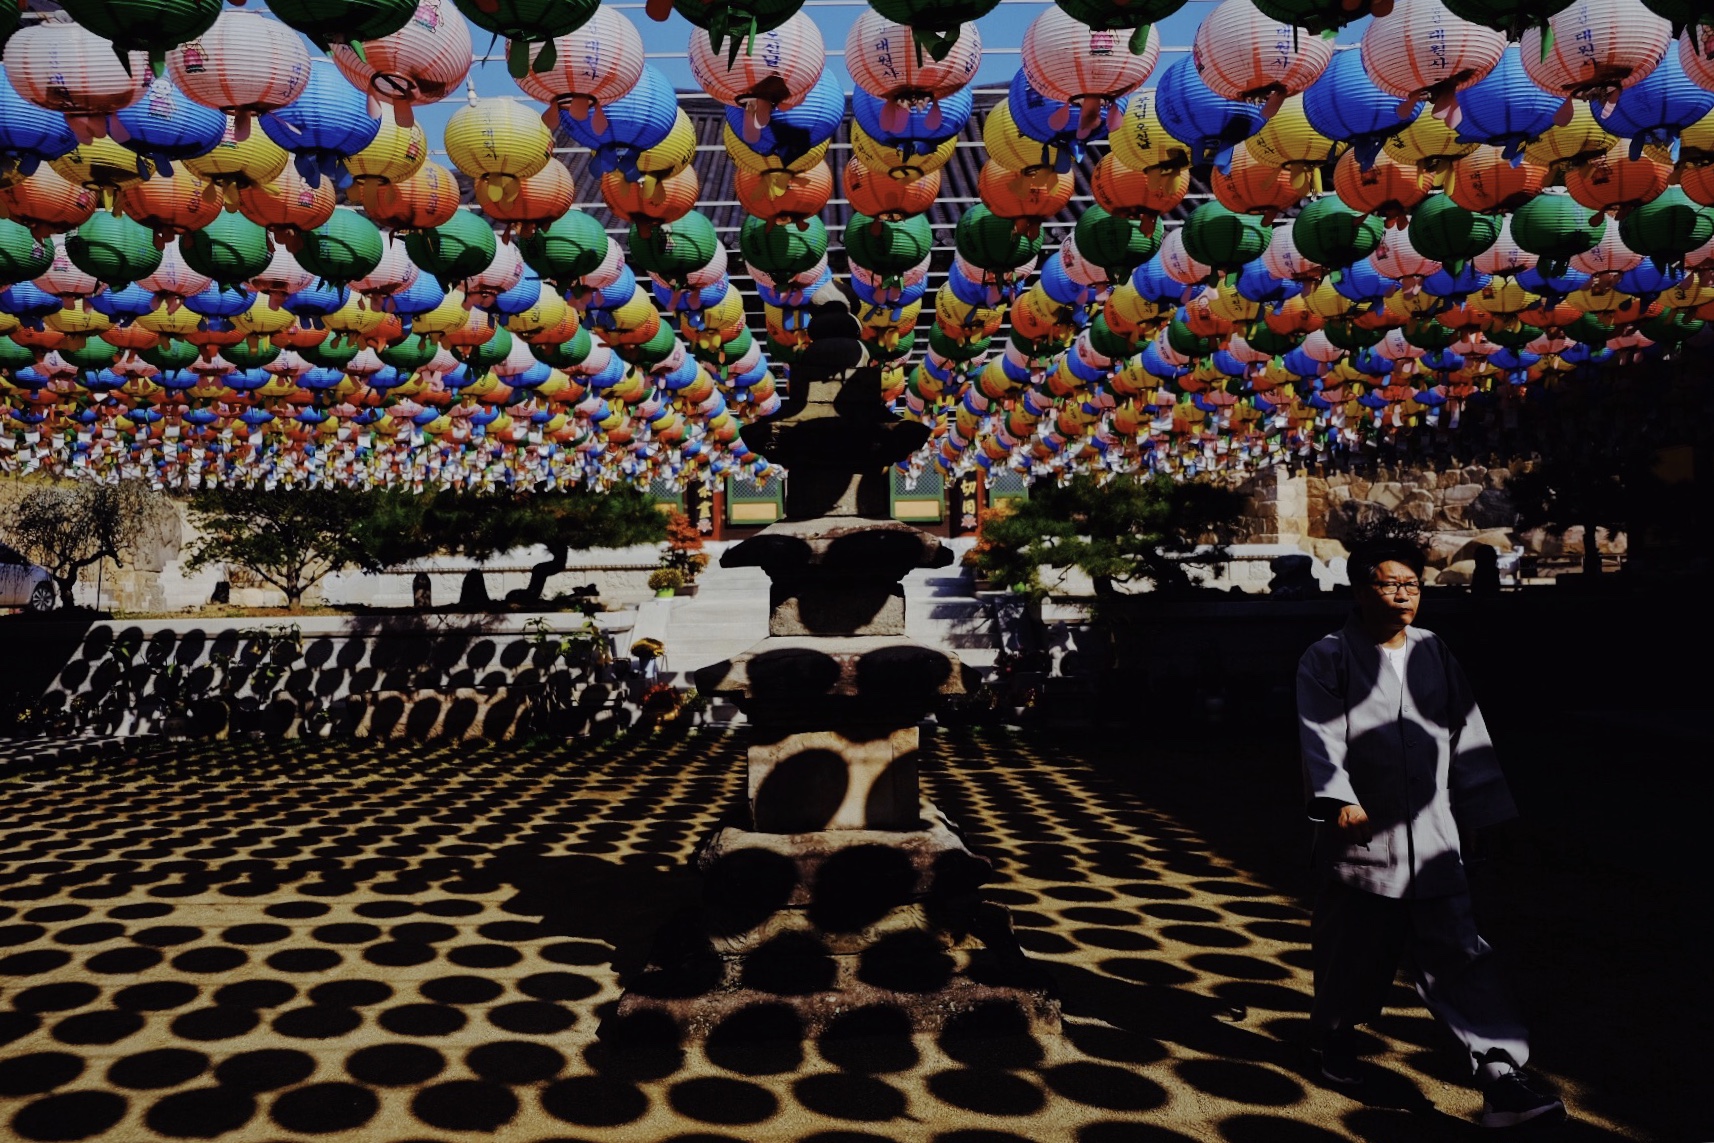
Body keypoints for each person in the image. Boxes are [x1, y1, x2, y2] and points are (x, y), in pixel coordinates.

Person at [1295, 537, 1565, 1129]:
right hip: (1363, 837)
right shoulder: (1329, 655)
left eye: (1412, 585)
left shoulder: (1434, 651)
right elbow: (1320, 732)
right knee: (1351, 954)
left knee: (1460, 952)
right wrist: (1337, 795)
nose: (1403, 595)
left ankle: (1499, 1074)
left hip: (1435, 837)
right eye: (1391, 584)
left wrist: (1485, 809)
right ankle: (1335, 1036)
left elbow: (1466, 730)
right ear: (1362, 589)